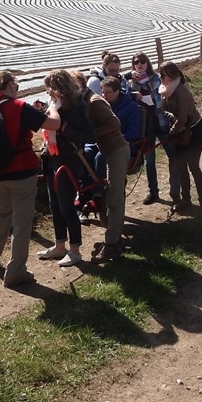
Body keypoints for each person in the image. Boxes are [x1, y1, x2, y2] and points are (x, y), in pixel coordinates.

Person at [0, 68, 49, 287]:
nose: (17, 90)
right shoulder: (19, 107)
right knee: (22, 223)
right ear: (8, 85)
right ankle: (16, 271)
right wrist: (49, 112)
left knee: (1, 212)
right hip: (21, 172)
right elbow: (52, 124)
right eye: (16, 86)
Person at [37, 69, 95, 267]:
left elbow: (90, 135)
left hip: (69, 162)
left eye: (49, 89)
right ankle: (59, 245)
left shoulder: (75, 107)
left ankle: (75, 250)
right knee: (55, 205)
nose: (47, 93)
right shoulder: (55, 105)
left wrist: (65, 130)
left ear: (59, 89)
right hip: (53, 159)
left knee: (67, 206)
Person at [85, 75, 135, 263]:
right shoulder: (100, 105)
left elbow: (131, 130)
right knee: (93, 155)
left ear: (117, 92)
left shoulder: (127, 107)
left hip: (125, 145)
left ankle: (112, 243)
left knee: (115, 194)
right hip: (106, 147)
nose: (104, 95)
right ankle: (95, 193)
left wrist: (101, 135)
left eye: (108, 92)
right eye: (102, 92)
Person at [127, 51, 180, 205]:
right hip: (146, 128)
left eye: (142, 60)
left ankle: (176, 193)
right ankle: (153, 193)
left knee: (173, 157)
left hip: (162, 123)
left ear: (147, 62)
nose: (139, 63)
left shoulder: (157, 78)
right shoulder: (131, 83)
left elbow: (165, 97)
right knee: (149, 161)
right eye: (136, 61)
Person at [158, 61, 202, 214]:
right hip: (180, 133)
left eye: (163, 75)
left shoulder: (182, 92)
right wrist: (171, 118)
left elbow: (183, 119)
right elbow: (164, 110)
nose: (160, 78)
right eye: (160, 75)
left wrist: (171, 132)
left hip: (193, 132)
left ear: (172, 76)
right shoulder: (165, 90)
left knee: (193, 166)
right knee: (181, 167)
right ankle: (185, 200)